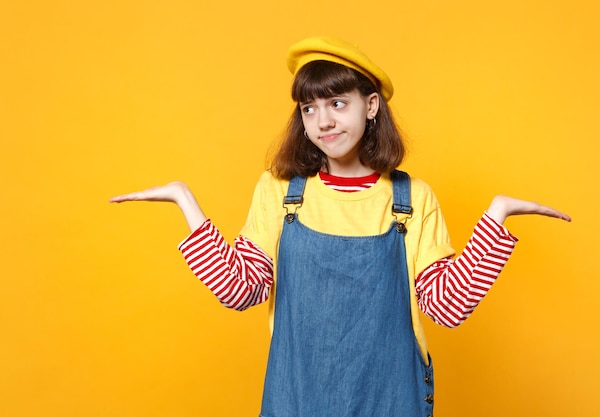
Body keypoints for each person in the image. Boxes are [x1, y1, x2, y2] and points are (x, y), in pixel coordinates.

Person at [110, 37, 570, 417]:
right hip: (298, 400)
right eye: (309, 109)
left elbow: (447, 308)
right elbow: (240, 291)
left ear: (370, 106)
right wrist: (186, 203)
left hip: (391, 401)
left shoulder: (410, 199)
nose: (323, 121)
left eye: (336, 103)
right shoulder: (281, 191)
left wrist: (496, 216)